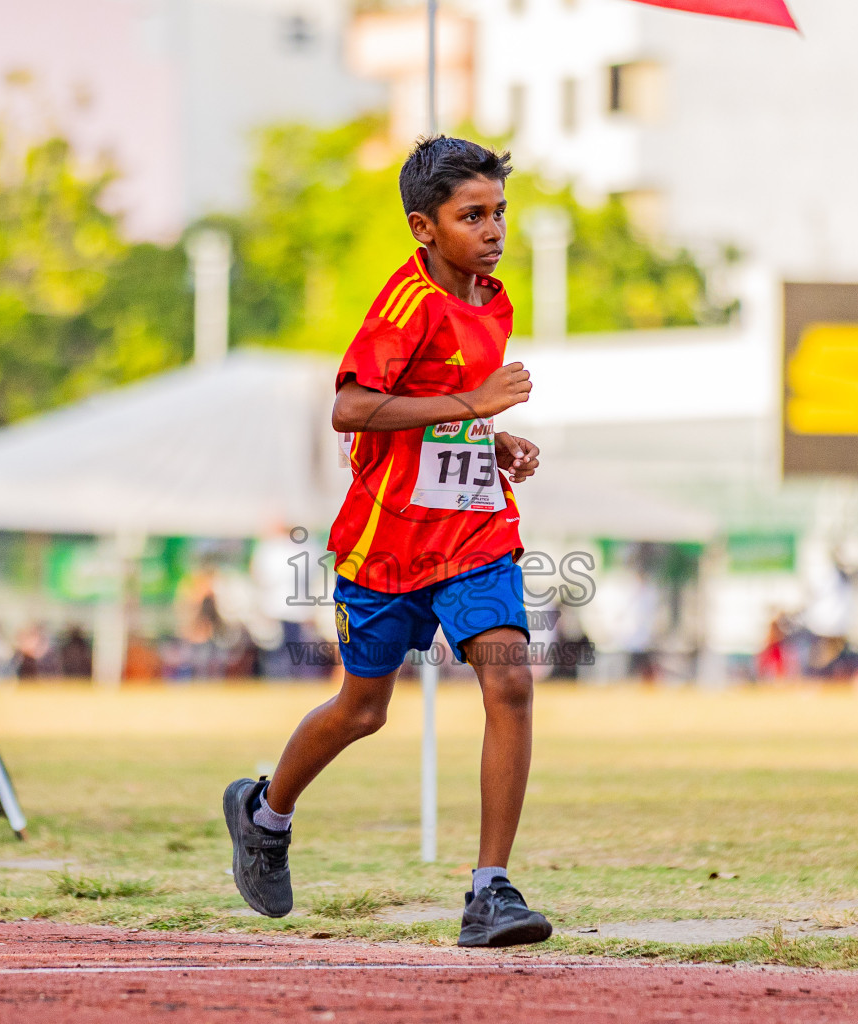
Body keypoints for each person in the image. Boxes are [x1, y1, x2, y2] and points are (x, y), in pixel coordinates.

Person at [223, 136, 551, 947]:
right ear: (423, 227)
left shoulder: (492, 300)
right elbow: (353, 408)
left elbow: (442, 406)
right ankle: (264, 815)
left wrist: (489, 442)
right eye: (471, 215)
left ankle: (489, 891)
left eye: (499, 212)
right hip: (388, 540)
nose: (493, 229)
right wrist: (476, 405)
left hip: (474, 531)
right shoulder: (407, 305)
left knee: (510, 682)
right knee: (363, 709)